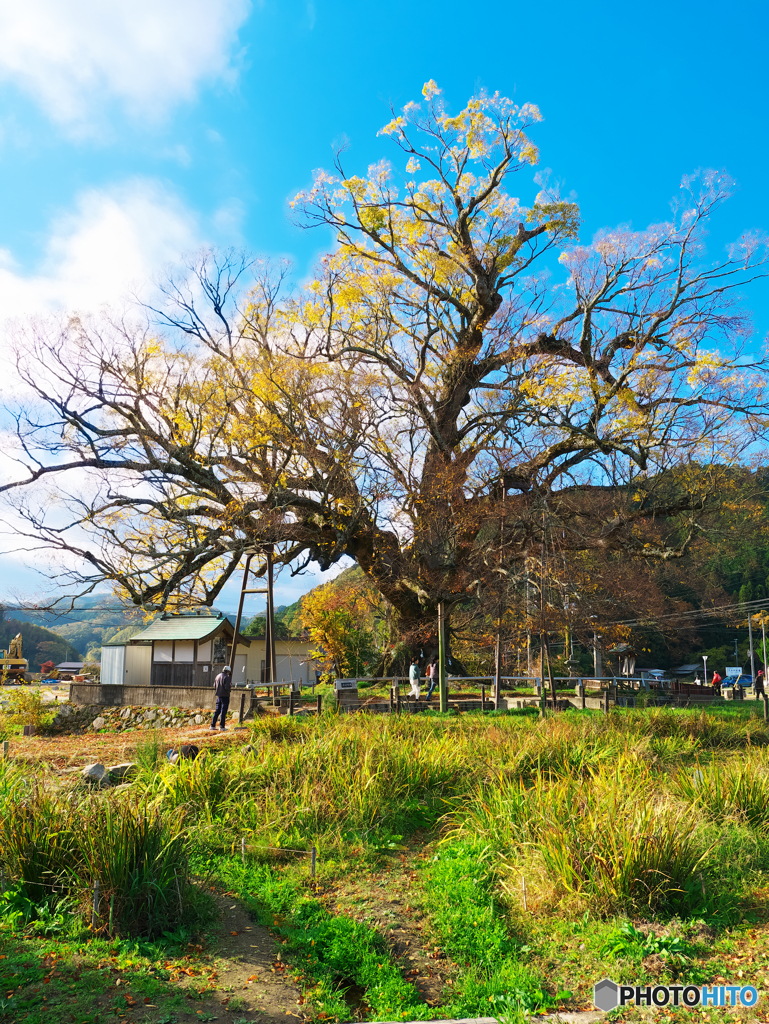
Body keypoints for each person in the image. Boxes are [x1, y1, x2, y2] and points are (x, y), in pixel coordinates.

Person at [211, 664, 232, 730]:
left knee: (217, 711)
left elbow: (214, 686)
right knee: (223, 711)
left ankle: (212, 725)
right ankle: (222, 726)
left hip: (218, 696)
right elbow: (226, 687)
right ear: (228, 671)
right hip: (225, 696)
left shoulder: (217, 676)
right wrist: (230, 686)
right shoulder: (226, 677)